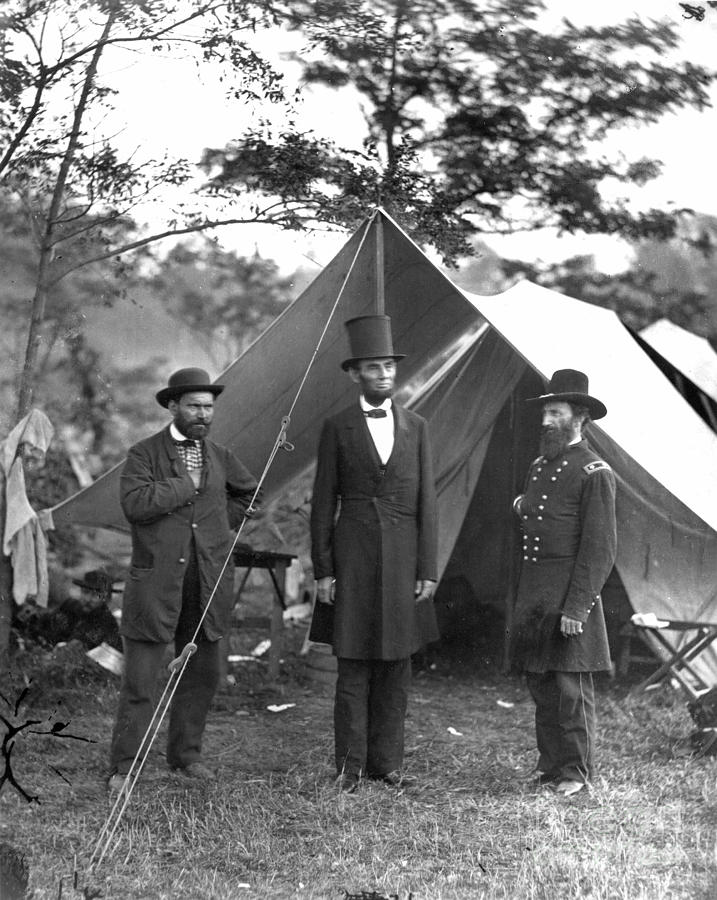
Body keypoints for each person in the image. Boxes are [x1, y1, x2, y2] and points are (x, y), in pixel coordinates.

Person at [108, 368, 258, 793]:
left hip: (207, 581)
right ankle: (125, 766)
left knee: (202, 673)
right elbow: (135, 505)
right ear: (172, 406)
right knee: (141, 678)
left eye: (208, 407)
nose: (203, 414)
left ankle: (185, 756)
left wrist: (218, 526)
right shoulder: (143, 454)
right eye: (194, 405)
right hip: (155, 583)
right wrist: (183, 485)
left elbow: (250, 493)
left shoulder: (221, 455)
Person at [310, 315, 439, 794]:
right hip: (353, 559)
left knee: (397, 667)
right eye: (373, 367)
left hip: (405, 563)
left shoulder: (418, 427)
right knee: (354, 665)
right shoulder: (337, 427)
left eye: (389, 366)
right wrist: (323, 570)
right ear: (355, 375)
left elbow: (429, 501)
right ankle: (350, 767)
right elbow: (323, 503)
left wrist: (428, 568)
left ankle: (388, 763)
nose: (384, 374)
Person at [511, 369, 616, 797]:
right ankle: (551, 764)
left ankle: (576, 771)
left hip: (570, 591)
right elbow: (538, 514)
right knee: (540, 682)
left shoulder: (595, 472)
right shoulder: (540, 465)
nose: (545, 421)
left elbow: (600, 549)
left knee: (571, 687)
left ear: (580, 417)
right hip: (536, 591)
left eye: (555, 412)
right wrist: (521, 504)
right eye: (545, 412)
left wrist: (577, 607)